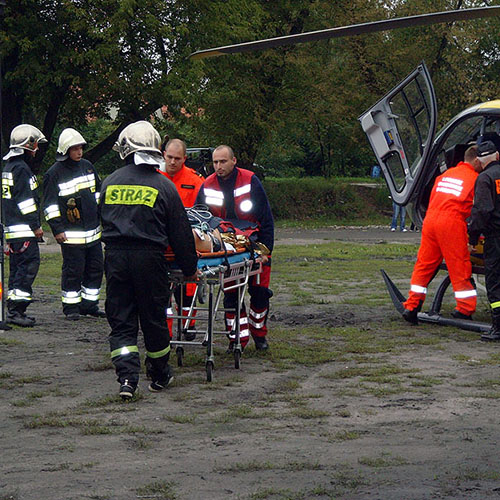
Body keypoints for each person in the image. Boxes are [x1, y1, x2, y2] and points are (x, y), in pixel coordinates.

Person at [99, 121, 198, 400]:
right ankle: (159, 372)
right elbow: (180, 233)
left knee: (121, 319)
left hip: (115, 257)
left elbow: (101, 220)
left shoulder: (110, 181)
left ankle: (127, 380)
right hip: (149, 260)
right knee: (154, 318)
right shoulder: (164, 186)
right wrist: (190, 268)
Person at [195, 145, 274, 351]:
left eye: (222, 161)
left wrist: (265, 252)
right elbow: (199, 217)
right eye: (215, 162)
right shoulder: (208, 184)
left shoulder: (250, 181)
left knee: (259, 293)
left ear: (234, 161)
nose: (218, 166)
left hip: (253, 243)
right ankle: (236, 339)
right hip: (225, 245)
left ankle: (259, 334)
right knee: (231, 296)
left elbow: (266, 219)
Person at [402, 144, 481, 324]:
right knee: (459, 264)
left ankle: (412, 305)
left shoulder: (445, 175)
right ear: (476, 160)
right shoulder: (476, 179)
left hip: (431, 220)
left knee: (424, 264)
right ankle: (465, 309)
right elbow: (479, 210)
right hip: (451, 222)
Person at [43, 128, 105, 321]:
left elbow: (98, 194)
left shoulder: (87, 166)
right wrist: (57, 229)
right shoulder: (54, 173)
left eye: (80, 148)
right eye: (75, 149)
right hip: (70, 235)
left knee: (95, 268)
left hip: (93, 233)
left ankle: (89, 305)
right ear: (65, 150)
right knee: (73, 270)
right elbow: (50, 205)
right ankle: (71, 307)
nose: (79, 152)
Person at [159, 138, 204, 340]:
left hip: (186, 242)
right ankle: (165, 333)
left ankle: (189, 325)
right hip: (160, 244)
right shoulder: (155, 177)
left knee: (187, 290)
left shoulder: (195, 181)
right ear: (163, 155)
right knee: (162, 295)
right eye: (169, 157)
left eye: (177, 158)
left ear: (185, 158)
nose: (173, 162)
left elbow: (205, 213)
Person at [2, 124, 46, 327]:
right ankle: (17, 310)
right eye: (35, 144)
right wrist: (36, 226)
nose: (37, 149)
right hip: (23, 230)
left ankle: (13, 308)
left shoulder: (9, 166)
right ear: (28, 145)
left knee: (17, 270)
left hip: (14, 230)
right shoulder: (21, 168)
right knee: (27, 268)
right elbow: (26, 201)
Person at [468, 141, 500, 341]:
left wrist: (472, 237)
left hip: (495, 238)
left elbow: (482, 211)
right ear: (496, 155)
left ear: (479, 160)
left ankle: (498, 326)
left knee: (495, 281)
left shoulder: (484, 178)